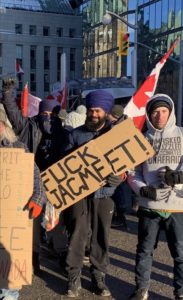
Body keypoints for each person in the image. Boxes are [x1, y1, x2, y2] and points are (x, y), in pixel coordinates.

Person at [1, 77, 68, 273]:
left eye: (51, 115)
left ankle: (62, 256)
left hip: (56, 183)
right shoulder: (28, 127)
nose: (48, 118)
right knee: (32, 227)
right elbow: (12, 111)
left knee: (57, 223)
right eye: (44, 114)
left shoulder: (63, 133)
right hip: (29, 184)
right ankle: (33, 257)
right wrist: (7, 92)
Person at [63, 90, 124, 298]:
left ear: (106, 111)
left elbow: (127, 163)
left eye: (97, 111)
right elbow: (63, 167)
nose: (93, 114)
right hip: (79, 196)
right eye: (90, 110)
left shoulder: (115, 136)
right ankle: (73, 276)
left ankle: (99, 276)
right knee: (77, 234)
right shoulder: (75, 134)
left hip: (105, 195)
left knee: (101, 236)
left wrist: (121, 177)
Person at [128, 94, 183, 300]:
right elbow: (133, 172)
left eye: (163, 111)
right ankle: (142, 289)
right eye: (155, 112)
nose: (159, 115)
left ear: (170, 112)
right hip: (149, 204)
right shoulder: (141, 140)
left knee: (180, 253)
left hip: (178, 205)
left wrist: (178, 176)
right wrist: (142, 189)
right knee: (144, 250)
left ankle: (180, 291)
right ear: (149, 115)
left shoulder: (182, 135)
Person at [0, 108, 46, 298]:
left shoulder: (18, 148)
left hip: (11, 223)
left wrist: (37, 200)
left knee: (7, 284)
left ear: (3, 125)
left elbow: (37, 180)